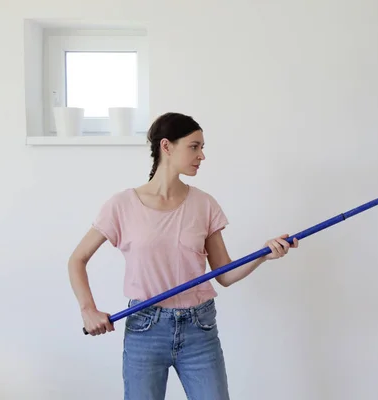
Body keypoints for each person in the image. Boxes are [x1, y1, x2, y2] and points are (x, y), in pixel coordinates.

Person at [68, 112, 299, 400]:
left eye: (202, 148)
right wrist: (88, 309)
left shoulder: (204, 204)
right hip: (145, 327)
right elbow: (77, 259)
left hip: (199, 329)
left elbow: (224, 274)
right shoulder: (121, 205)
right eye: (194, 146)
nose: (202, 155)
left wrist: (263, 255)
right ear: (166, 146)